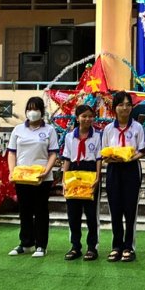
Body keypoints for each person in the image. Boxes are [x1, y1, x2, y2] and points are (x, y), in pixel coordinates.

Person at [7, 96, 59, 258]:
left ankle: (41, 244)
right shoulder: (18, 130)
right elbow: (11, 152)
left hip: (42, 177)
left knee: (41, 210)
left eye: (36, 109)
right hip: (22, 176)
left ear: (42, 111)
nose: (32, 112)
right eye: (29, 109)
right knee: (25, 210)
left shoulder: (49, 130)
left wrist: (46, 170)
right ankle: (26, 242)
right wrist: (12, 171)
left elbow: (53, 154)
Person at [102, 91, 145, 263]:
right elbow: (104, 153)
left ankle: (129, 246)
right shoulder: (108, 129)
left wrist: (129, 157)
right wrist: (113, 158)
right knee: (115, 209)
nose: (125, 108)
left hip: (131, 169)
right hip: (114, 170)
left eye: (128, 104)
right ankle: (116, 246)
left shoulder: (137, 128)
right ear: (115, 108)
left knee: (130, 210)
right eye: (121, 104)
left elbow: (142, 150)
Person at [61, 104, 102, 261]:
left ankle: (92, 247)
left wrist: (98, 177)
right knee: (73, 214)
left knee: (91, 214)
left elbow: (99, 158)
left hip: (90, 173)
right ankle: (75, 246)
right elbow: (66, 158)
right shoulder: (70, 136)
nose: (87, 119)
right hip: (73, 172)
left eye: (90, 116)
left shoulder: (97, 136)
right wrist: (64, 180)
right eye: (83, 116)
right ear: (77, 118)